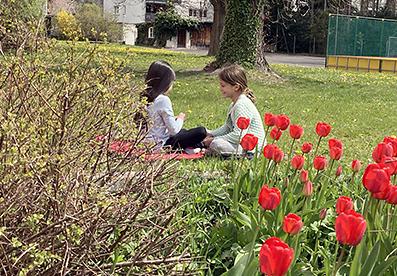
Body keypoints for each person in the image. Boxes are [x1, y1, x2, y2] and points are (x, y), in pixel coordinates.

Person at [143, 60, 206, 151]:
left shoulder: (144, 96)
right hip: (161, 144)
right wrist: (180, 118)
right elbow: (174, 130)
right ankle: (200, 145)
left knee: (184, 131)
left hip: (144, 142)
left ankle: (197, 145)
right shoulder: (163, 100)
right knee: (201, 131)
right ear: (164, 82)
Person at [204, 64, 265, 156]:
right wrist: (211, 133)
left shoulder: (242, 105)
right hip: (241, 143)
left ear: (236, 87)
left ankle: (229, 154)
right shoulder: (234, 104)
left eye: (223, 86)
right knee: (211, 140)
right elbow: (227, 127)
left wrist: (214, 139)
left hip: (251, 149)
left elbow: (239, 135)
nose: (220, 89)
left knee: (217, 144)